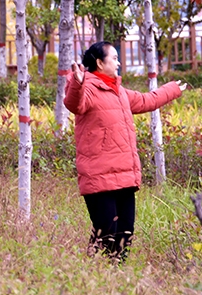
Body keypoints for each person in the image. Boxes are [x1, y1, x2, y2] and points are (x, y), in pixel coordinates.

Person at [63, 41, 187, 262]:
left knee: (125, 233)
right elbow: (75, 104)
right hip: (98, 176)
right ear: (100, 63)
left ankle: (115, 274)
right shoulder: (87, 88)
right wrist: (77, 83)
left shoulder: (119, 92)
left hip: (124, 175)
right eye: (114, 58)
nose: (118, 62)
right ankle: (91, 271)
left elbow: (147, 100)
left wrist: (171, 89)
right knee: (106, 232)